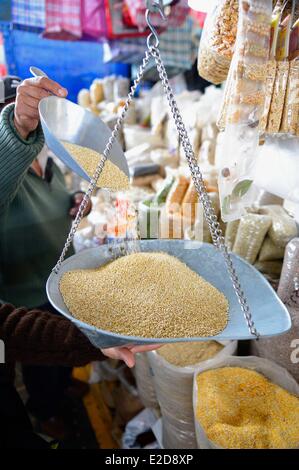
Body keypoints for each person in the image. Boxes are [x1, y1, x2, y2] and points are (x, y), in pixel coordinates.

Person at [0, 75, 159, 445]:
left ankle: (62, 389)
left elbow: (60, 202)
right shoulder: (12, 160)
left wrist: (77, 206)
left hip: (60, 274)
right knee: (38, 360)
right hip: (23, 285)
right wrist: (18, 126)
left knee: (58, 343)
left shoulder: (50, 163)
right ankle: (46, 410)